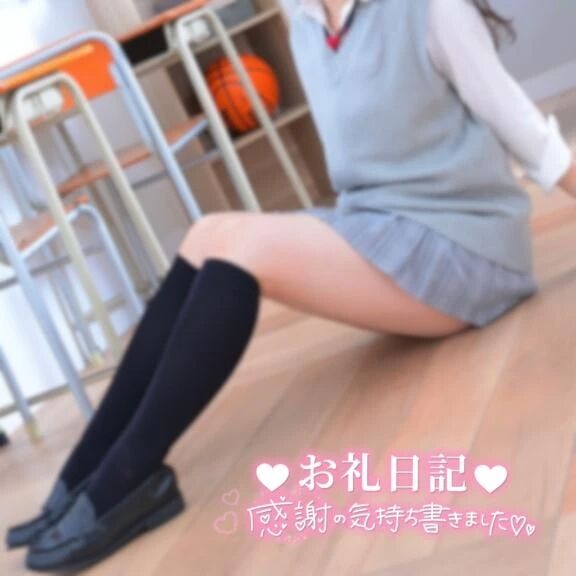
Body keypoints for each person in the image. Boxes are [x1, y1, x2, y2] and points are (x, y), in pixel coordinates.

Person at [6, 0, 576, 571]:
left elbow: (521, 125)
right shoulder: (305, 24)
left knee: (244, 251)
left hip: (464, 247)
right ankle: (83, 474)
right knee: (207, 234)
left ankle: (129, 478)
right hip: (379, 224)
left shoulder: (428, 9)